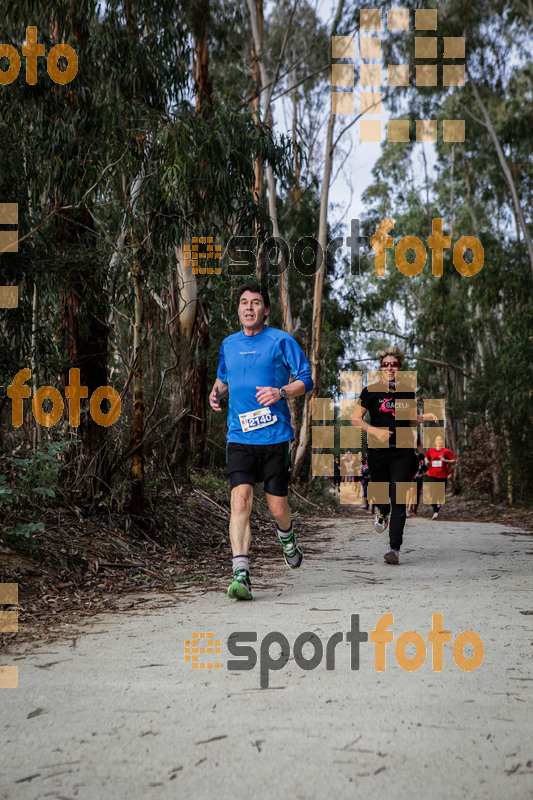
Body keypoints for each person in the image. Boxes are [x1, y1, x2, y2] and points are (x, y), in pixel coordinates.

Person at [209, 282, 314, 600]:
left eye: (256, 303)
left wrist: (280, 392)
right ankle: (241, 574)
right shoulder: (228, 344)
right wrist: (216, 393)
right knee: (240, 501)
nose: (249, 307)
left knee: (277, 506)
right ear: (238, 309)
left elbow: (306, 379)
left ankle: (287, 536)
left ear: (266, 310)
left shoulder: (281, 341)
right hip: (239, 437)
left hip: (274, 437)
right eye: (244, 302)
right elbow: (224, 378)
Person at [351, 347, 439, 565]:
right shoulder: (370, 391)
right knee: (382, 497)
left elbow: (407, 419)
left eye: (394, 364)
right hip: (378, 452)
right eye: (386, 364)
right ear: (381, 366)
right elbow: (355, 419)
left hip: (402, 451)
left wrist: (423, 417)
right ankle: (382, 510)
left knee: (399, 499)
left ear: (400, 367)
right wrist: (375, 431)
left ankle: (394, 549)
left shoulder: (407, 391)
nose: (390, 367)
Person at [425, 435, 456, 519]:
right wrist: (426, 461)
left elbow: (454, 460)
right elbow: (426, 457)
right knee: (433, 492)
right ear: (435, 442)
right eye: (437, 440)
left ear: (442, 442)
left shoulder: (446, 451)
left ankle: (437, 505)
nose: (439, 441)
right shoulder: (431, 450)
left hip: (442, 475)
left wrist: (445, 460)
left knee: (440, 494)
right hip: (432, 474)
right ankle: (435, 512)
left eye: (440, 440)